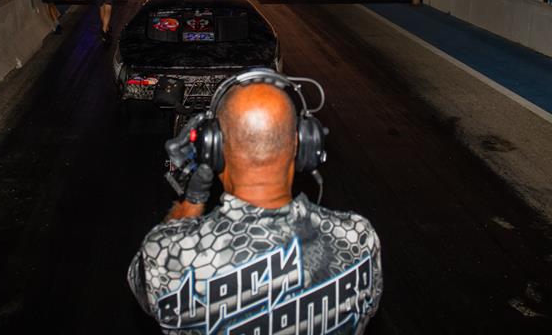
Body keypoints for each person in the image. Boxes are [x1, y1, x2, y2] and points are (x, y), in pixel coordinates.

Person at [128, 72, 383, 333]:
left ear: (212, 149)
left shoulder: (166, 252)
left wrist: (191, 201)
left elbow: (144, 292)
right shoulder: (357, 240)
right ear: (302, 144)